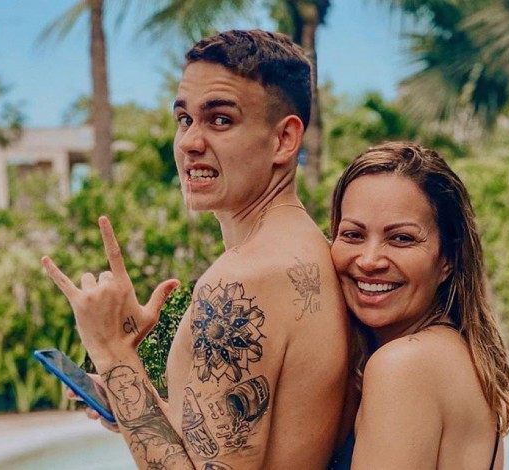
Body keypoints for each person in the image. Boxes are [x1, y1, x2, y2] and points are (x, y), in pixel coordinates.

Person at [43, 30, 349, 469]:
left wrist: (110, 350)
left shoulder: (244, 279)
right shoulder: (308, 248)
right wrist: (133, 400)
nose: (189, 142)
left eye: (220, 120)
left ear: (284, 139)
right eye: (184, 119)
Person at [328, 142, 509, 469]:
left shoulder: (403, 366)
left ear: (447, 257)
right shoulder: (460, 356)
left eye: (401, 238)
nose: (370, 260)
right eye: (353, 235)